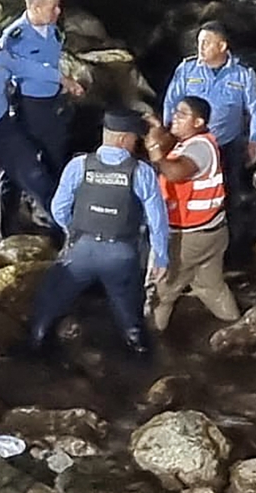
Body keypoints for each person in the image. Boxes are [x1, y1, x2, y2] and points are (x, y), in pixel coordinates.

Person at [27, 109, 169, 355]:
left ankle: (35, 348)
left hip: (81, 251)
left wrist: (73, 230)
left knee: (49, 303)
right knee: (129, 314)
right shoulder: (141, 172)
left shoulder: (78, 165)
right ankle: (140, 356)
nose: (137, 142)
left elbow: (58, 208)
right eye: (135, 137)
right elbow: (157, 220)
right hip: (121, 254)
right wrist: (161, 258)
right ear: (124, 139)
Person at [162, 21, 256, 255]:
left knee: (231, 195)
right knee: (186, 192)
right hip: (191, 146)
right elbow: (171, 101)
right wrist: (170, 134)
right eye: (199, 42)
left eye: (207, 43)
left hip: (226, 145)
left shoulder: (243, 74)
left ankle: (234, 250)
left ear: (222, 45)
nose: (201, 47)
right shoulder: (187, 69)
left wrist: (255, 140)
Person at [144, 96, 240, 331]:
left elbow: (177, 173)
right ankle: (237, 325)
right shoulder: (194, 142)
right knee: (211, 287)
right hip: (212, 230)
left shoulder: (199, 148)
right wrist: (158, 131)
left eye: (182, 114)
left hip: (190, 236)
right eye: (176, 112)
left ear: (198, 122)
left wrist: (154, 150)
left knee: (162, 291)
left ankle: (153, 343)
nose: (175, 117)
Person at [0, 0, 85, 237]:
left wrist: (64, 86)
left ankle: (58, 227)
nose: (58, 12)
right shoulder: (14, 37)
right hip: (25, 107)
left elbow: (53, 64)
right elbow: (11, 69)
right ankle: (6, 230)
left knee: (55, 162)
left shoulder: (55, 33)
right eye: (53, 7)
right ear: (35, 6)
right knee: (14, 169)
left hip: (51, 106)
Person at [0, 16, 59, 228]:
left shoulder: (0, 57)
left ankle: (62, 226)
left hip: (0, 128)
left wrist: (61, 78)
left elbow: (27, 68)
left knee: (35, 175)